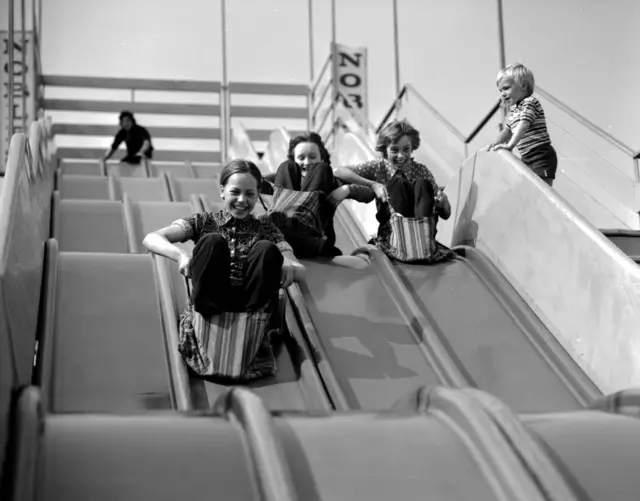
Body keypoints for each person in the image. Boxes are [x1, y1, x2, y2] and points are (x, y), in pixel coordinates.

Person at [142, 159, 305, 379]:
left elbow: (299, 269)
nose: (242, 200)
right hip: (211, 302)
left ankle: (250, 326)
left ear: (257, 195)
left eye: (250, 194)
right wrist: (181, 256)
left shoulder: (266, 229)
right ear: (222, 191)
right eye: (235, 192)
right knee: (211, 242)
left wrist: (288, 264)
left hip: (251, 304)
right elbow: (151, 238)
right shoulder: (204, 221)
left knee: (267, 249)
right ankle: (210, 316)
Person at [334, 119, 454, 262]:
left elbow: (446, 214)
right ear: (385, 149)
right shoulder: (379, 167)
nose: (401, 156)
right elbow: (338, 171)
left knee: (422, 184)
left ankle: (419, 240)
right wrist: (373, 185)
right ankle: (406, 240)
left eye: (406, 149)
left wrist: (443, 203)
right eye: (395, 150)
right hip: (393, 238)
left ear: (412, 148)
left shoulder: (421, 170)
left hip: (423, 240)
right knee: (398, 181)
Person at [265, 132, 372, 257]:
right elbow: (253, 181)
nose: (307, 162)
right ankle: (283, 225)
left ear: (322, 157)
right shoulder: (285, 174)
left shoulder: (327, 178)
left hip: (312, 234)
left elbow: (370, 194)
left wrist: (347, 190)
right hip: (281, 227)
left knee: (323, 169)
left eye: (312, 157)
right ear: (294, 160)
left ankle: (299, 232)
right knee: (285, 166)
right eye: (301, 158)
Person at [489, 63, 558, 187]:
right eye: (500, 90)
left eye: (506, 88)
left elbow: (523, 124)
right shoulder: (514, 110)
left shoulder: (530, 103)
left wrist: (510, 145)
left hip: (540, 155)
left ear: (523, 86)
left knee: (542, 190)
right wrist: (495, 143)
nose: (502, 94)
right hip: (526, 158)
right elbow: (507, 130)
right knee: (527, 189)